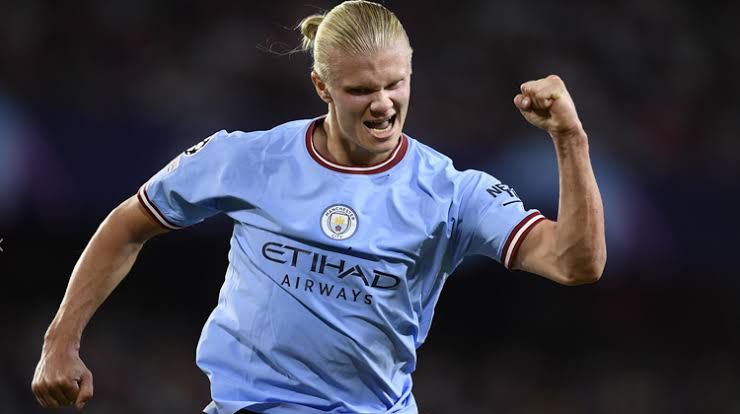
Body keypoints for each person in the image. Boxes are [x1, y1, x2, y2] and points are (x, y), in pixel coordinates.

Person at [31, 1, 606, 413]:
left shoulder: (451, 193)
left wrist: (569, 139)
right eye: (361, 90)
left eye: (395, 84)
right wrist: (61, 341)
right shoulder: (249, 158)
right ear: (322, 87)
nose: (383, 104)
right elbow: (129, 224)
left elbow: (575, 263)